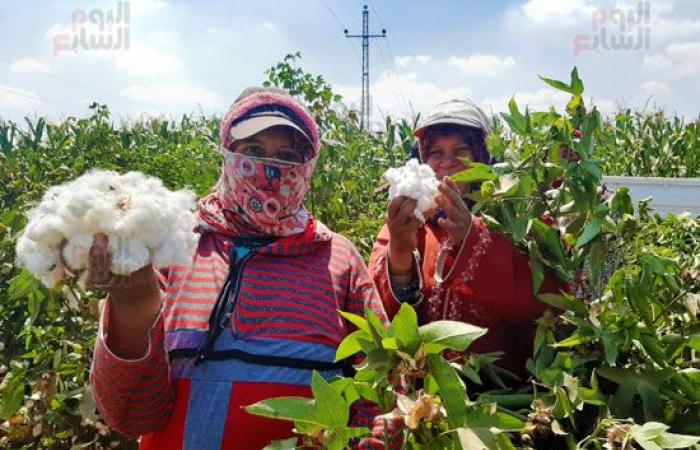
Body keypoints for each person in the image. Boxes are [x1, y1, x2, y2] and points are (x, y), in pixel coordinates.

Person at [88, 87, 388, 450]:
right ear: (228, 155)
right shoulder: (172, 247)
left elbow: (382, 387)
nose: (270, 170)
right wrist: (134, 308)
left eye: (288, 155)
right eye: (254, 152)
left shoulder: (338, 260)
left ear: (308, 167)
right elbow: (133, 415)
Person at [369, 99, 563, 379]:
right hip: (423, 395)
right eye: (435, 154)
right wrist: (399, 252)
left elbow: (546, 302)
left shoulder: (519, 221)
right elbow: (380, 315)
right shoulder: (406, 224)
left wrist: (473, 238)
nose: (447, 164)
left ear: (482, 160)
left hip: (503, 397)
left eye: (461, 152)